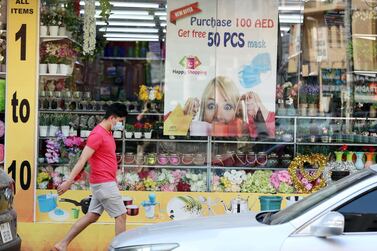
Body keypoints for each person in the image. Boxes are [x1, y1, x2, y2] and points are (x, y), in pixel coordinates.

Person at [53, 103, 128, 251]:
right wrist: (69, 182)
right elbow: (82, 160)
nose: (121, 125)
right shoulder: (97, 134)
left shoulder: (107, 133)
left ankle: (62, 244)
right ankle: (121, 249)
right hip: (104, 183)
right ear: (112, 118)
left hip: (104, 182)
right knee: (121, 216)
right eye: (120, 121)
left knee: (92, 216)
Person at [184, 76, 275, 138]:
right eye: (211, 106)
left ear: (237, 112)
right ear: (203, 110)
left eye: (227, 107)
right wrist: (182, 121)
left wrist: (259, 115)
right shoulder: (196, 130)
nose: (218, 115)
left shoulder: (248, 130)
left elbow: (267, 139)